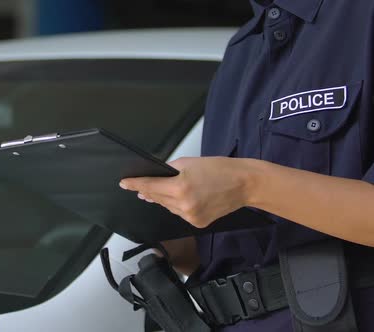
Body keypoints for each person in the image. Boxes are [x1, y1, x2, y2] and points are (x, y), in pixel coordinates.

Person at [119, 0, 374, 331]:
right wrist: (172, 233)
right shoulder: (243, 48)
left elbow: (247, 187)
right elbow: (238, 250)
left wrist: (249, 184)